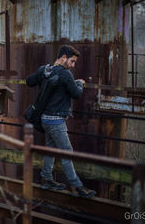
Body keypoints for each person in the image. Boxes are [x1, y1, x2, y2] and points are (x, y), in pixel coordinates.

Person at [26, 45, 96, 198]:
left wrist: (41, 72)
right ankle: (77, 186)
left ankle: (46, 179)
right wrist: (79, 83)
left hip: (44, 119)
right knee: (67, 153)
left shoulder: (46, 69)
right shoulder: (65, 75)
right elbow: (76, 94)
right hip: (56, 121)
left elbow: (29, 81)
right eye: (72, 61)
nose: (73, 65)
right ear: (64, 57)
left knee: (50, 149)